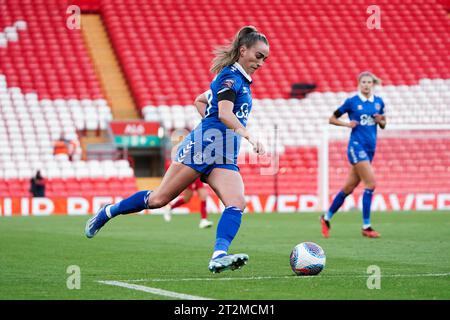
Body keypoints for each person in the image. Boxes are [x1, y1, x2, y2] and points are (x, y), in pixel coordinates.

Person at [85, 26, 270, 273]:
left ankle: (219, 255)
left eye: (265, 59)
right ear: (243, 50)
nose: (261, 62)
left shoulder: (240, 81)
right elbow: (224, 113)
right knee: (159, 199)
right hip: (202, 148)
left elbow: (202, 100)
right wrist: (245, 134)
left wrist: (214, 124)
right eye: (258, 56)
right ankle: (107, 212)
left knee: (236, 202)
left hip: (223, 153)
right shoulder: (229, 78)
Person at [320, 71, 386, 238]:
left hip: (370, 149)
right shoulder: (352, 102)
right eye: (363, 82)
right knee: (371, 184)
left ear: (373, 84)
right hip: (356, 147)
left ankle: (326, 217)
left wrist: (381, 121)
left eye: (369, 82)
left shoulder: (378, 102)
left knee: (348, 188)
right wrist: (347, 124)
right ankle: (366, 226)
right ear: (359, 83)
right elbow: (331, 118)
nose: (366, 84)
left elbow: (384, 124)